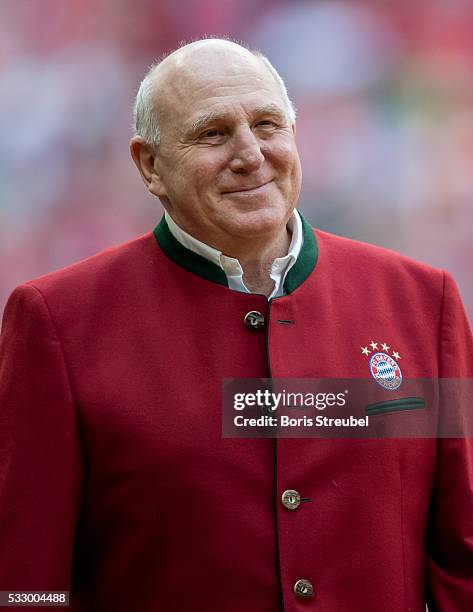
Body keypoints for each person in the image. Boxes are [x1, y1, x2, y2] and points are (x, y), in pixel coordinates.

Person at [0, 38, 472, 612]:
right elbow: (27, 583)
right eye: (213, 133)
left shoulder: (422, 304)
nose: (250, 154)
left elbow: (463, 560)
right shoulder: (57, 321)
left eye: (267, 124)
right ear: (150, 165)